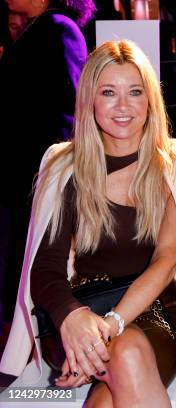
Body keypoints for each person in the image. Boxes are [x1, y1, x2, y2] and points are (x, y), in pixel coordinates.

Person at [0, 40, 176, 406]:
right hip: (84, 310)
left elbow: (165, 262)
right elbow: (45, 268)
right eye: (109, 92)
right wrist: (73, 318)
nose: (123, 106)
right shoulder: (65, 167)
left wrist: (109, 328)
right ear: (90, 100)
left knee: (117, 369)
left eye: (135, 92)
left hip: (156, 311)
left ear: (150, 101)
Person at [0, 0, 94, 324]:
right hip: (25, 175)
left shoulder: (59, 29)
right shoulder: (39, 29)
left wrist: (54, 173)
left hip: (40, 175)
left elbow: (73, 109)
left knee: (34, 265)